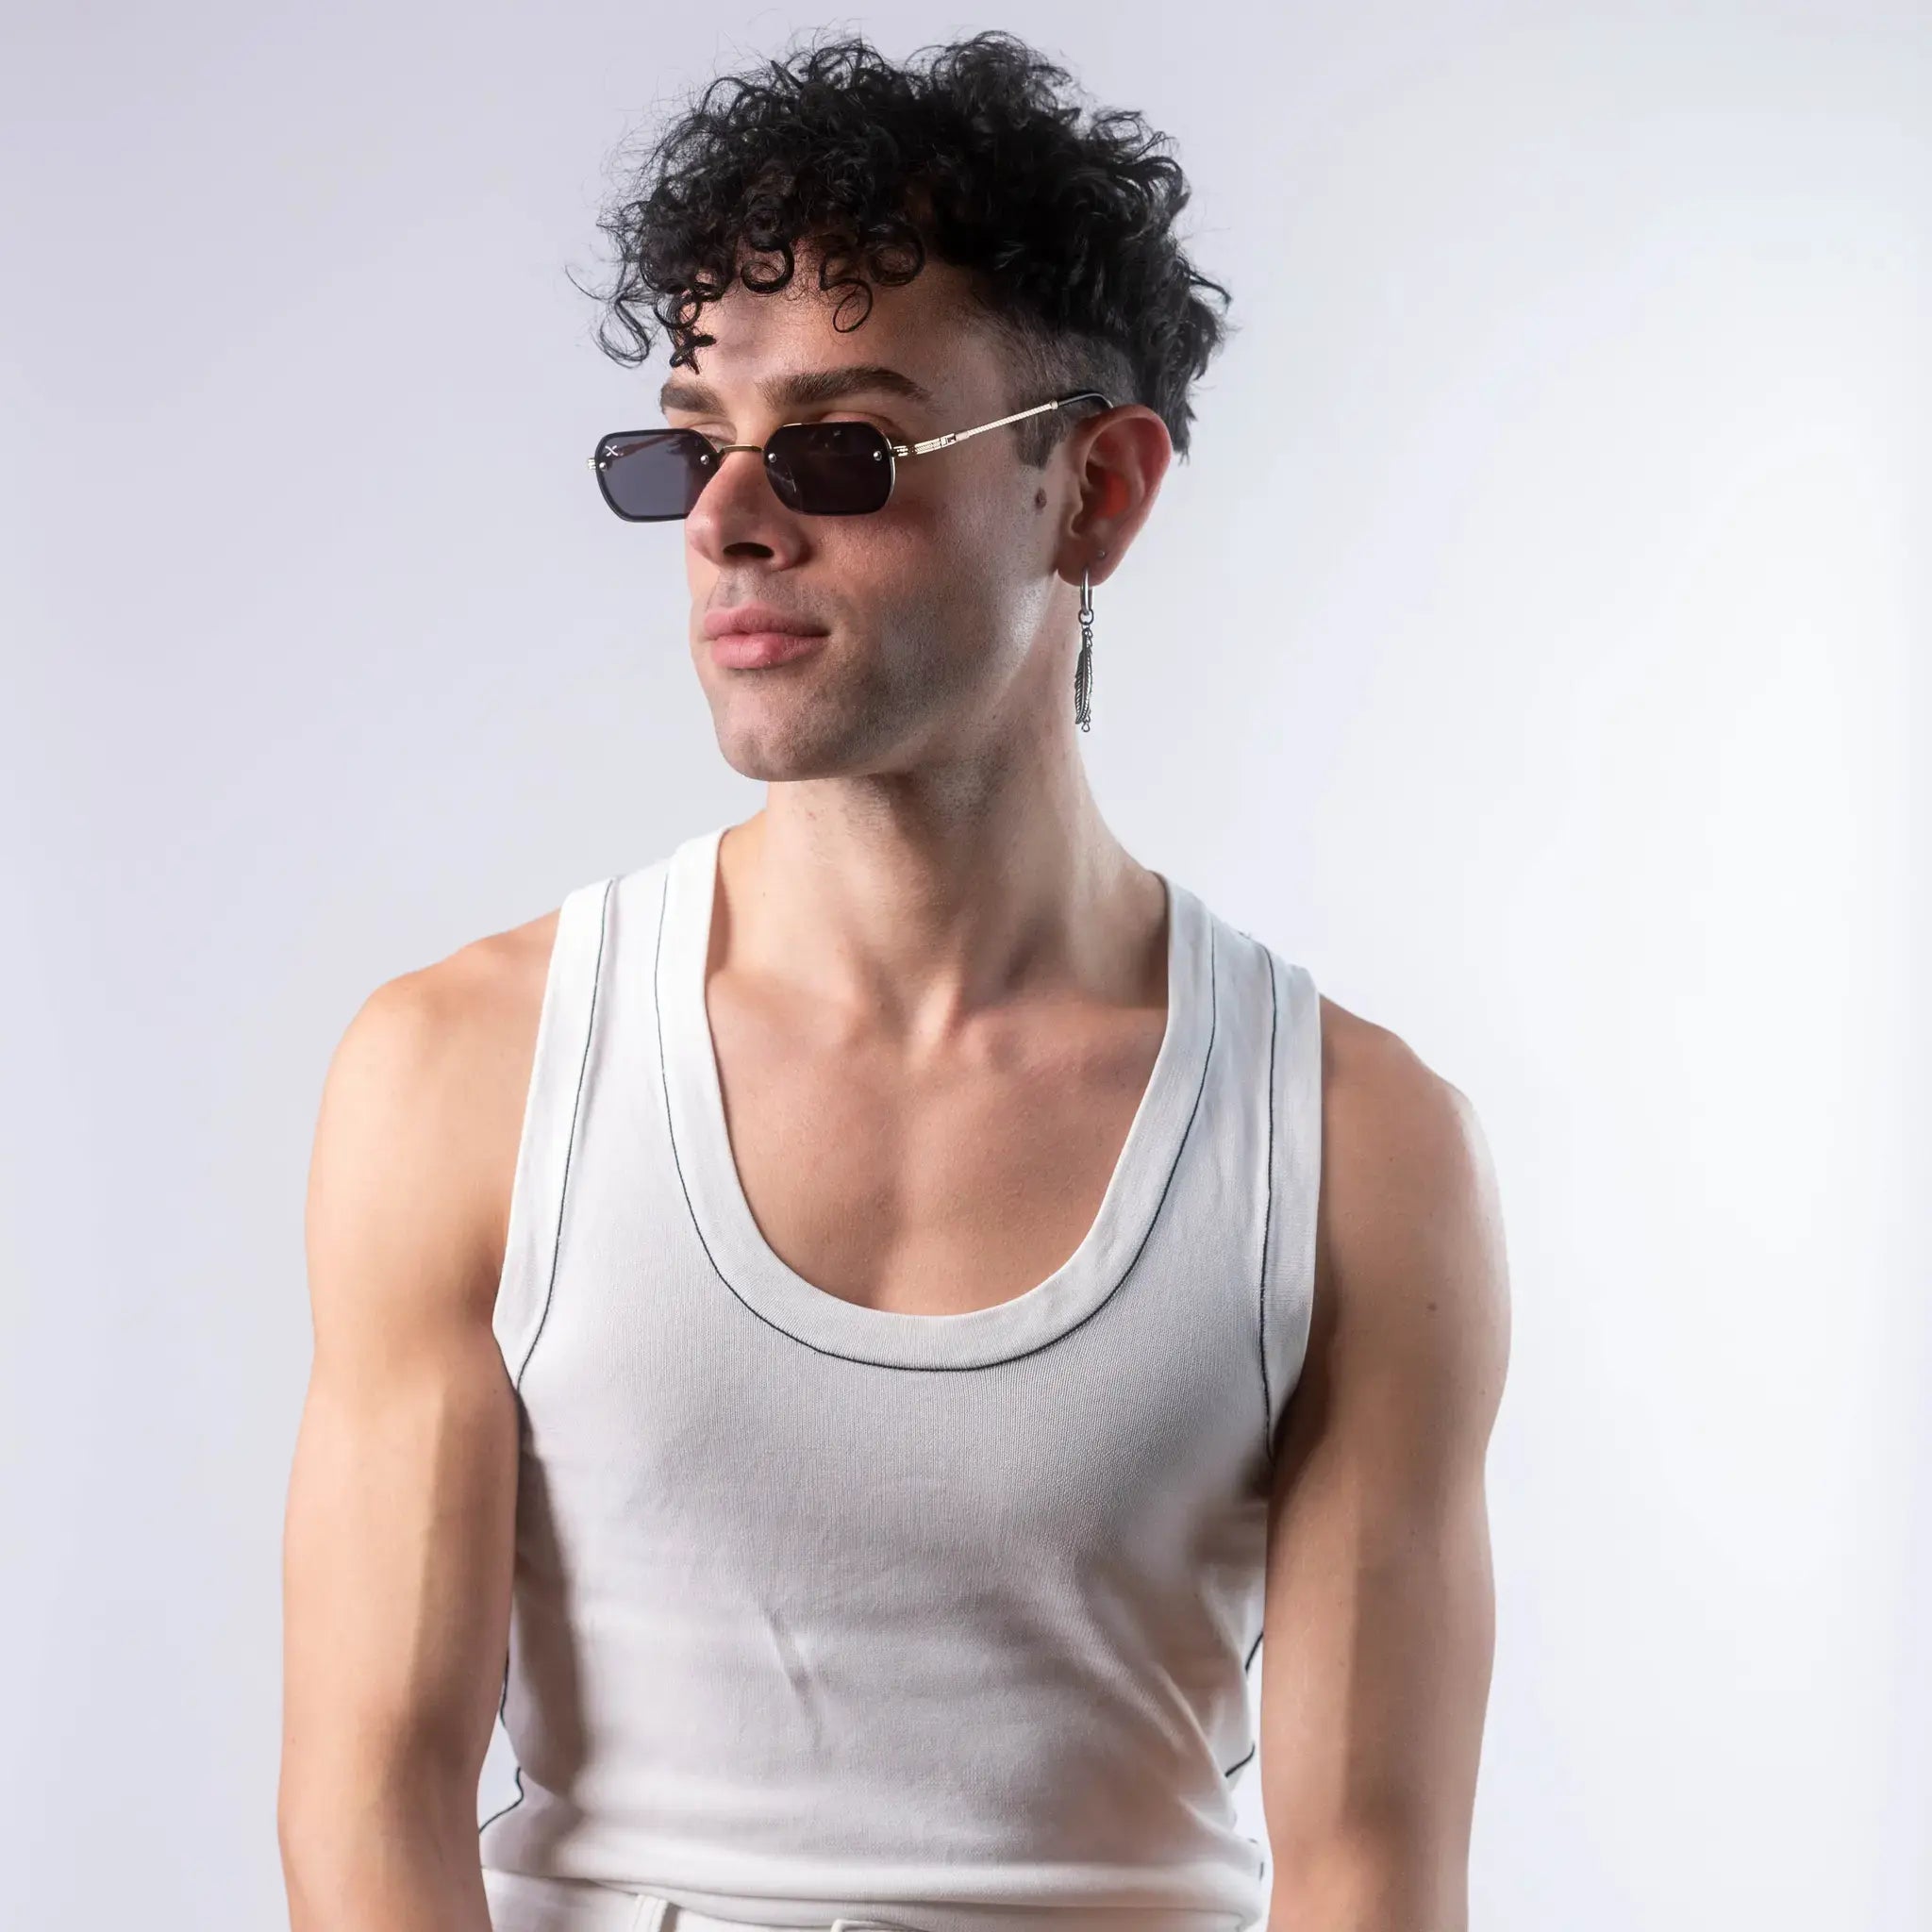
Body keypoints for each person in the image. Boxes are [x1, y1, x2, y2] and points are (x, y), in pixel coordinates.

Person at [277, 29, 1510, 1932]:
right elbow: (371, 1803)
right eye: (693, 443)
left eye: (842, 447)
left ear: (1092, 491)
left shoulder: (1355, 1150)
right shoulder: (463, 1071)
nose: (727, 521)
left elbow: (1367, 1872)